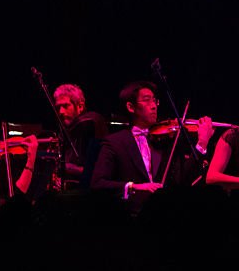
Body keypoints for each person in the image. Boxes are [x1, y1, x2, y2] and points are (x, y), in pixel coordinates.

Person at [90, 81, 214, 213]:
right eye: (147, 100)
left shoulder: (165, 142)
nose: (154, 106)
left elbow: (182, 179)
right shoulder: (114, 142)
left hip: (162, 214)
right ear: (131, 107)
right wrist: (134, 187)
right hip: (129, 215)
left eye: (155, 101)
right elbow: (98, 184)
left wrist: (201, 143)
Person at [53, 83, 108, 187]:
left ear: (80, 106)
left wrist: (69, 168)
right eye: (58, 107)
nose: (60, 112)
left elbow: (97, 171)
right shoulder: (64, 132)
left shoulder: (91, 123)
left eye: (65, 106)